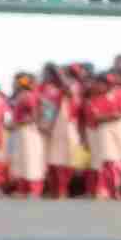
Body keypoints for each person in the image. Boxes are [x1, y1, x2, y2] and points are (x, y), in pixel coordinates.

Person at [39, 64, 82, 199]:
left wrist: (60, 75)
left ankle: (63, 189)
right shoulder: (47, 88)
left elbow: (70, 93)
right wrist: (47, 125)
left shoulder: (73, 85)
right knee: (52, 158)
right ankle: (55, 189)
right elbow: (47, 108)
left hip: (68, 124)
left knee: (68, 158)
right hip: (52, 125)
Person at [82, 72, 121, 200]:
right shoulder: (92, 100)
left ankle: (114, 190)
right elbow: (97, 118)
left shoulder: (119, 95)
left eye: (108, 84)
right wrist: (111, 116)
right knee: (104, 162)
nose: (100, 86)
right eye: (100, 83)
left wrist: (109, 117)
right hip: (99, 133)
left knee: (113, 162)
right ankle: (103, 190)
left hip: (118, 133)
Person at [7, 73, 45, 198]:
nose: (14, 84)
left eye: (16, 82)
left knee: (31, 160)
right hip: (21, 131)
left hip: (29, 131)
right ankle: (22, 190)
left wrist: (17, 123)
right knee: (21, 159)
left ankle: (34, 190)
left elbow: (34, 116)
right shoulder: (20, 96)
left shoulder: (28, 96)